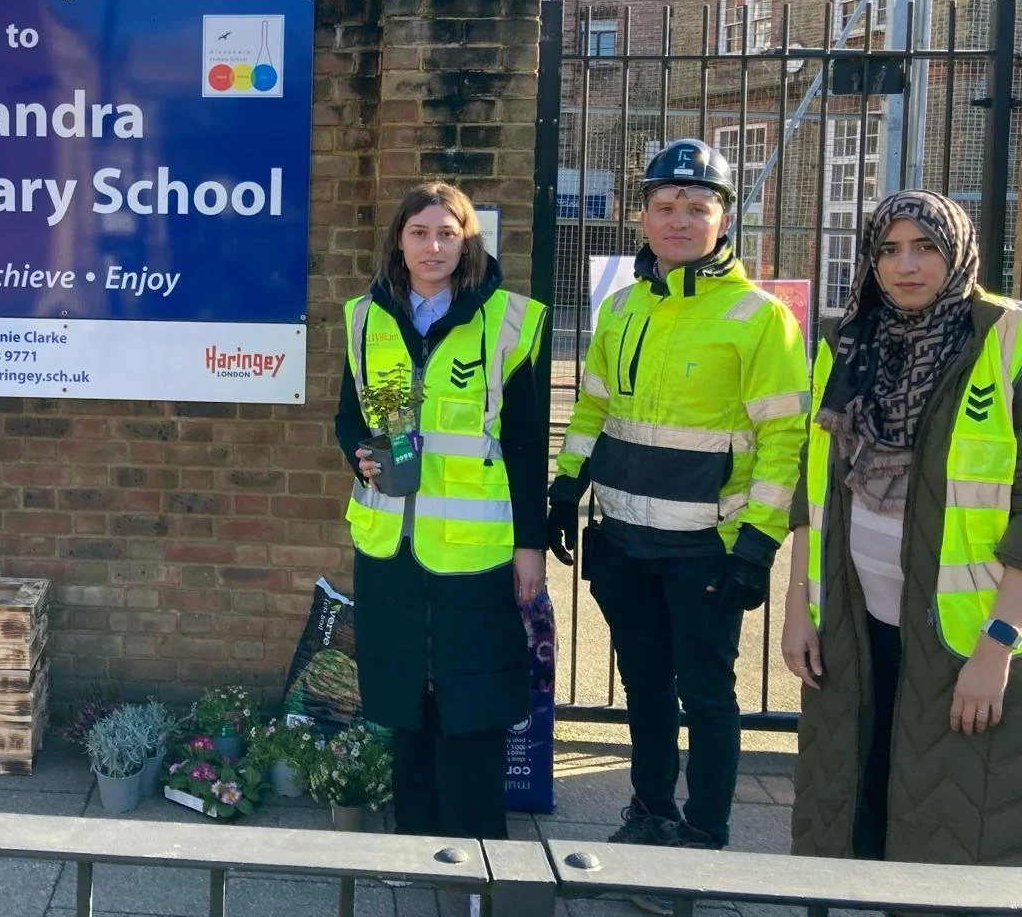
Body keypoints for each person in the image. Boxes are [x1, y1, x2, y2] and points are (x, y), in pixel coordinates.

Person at [548, 138, 808, 857]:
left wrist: (759, 544)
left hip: (706, 547)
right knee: (646, 691)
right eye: (665, 206)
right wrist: (567, 484)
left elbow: (784, 442)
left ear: (723, 219)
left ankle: (704, 832)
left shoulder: (760, 318)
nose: (679, 220)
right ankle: (650, 810)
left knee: (709, 698)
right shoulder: (625, 307)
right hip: (626, 538)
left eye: (697, 207)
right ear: (641, 219)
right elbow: (594, 408)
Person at [783, 191, 1022, 867]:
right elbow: (816, 484)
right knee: (858, 807)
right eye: (889, 249)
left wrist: (998, 645)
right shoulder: (850, 339)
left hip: (963, 636)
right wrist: (800, 609)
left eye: (925, 248)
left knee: (952, 828)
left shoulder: (1006, 339)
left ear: (958, 254)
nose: (905, 266)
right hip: (856, 626)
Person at [333, 180, 548, 842]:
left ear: (468, 240)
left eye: (446, 233)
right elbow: (350, 420)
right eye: (419, 232)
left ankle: (477, 848)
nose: (433, 247)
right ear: (399, 240)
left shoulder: (512, 319)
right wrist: (362, 457)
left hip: (472, 549)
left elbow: (527, 442)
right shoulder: (365, 317)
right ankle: (416, 843)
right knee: (402, 700)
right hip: (390, 544)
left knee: (472, 701)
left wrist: (530, 546)